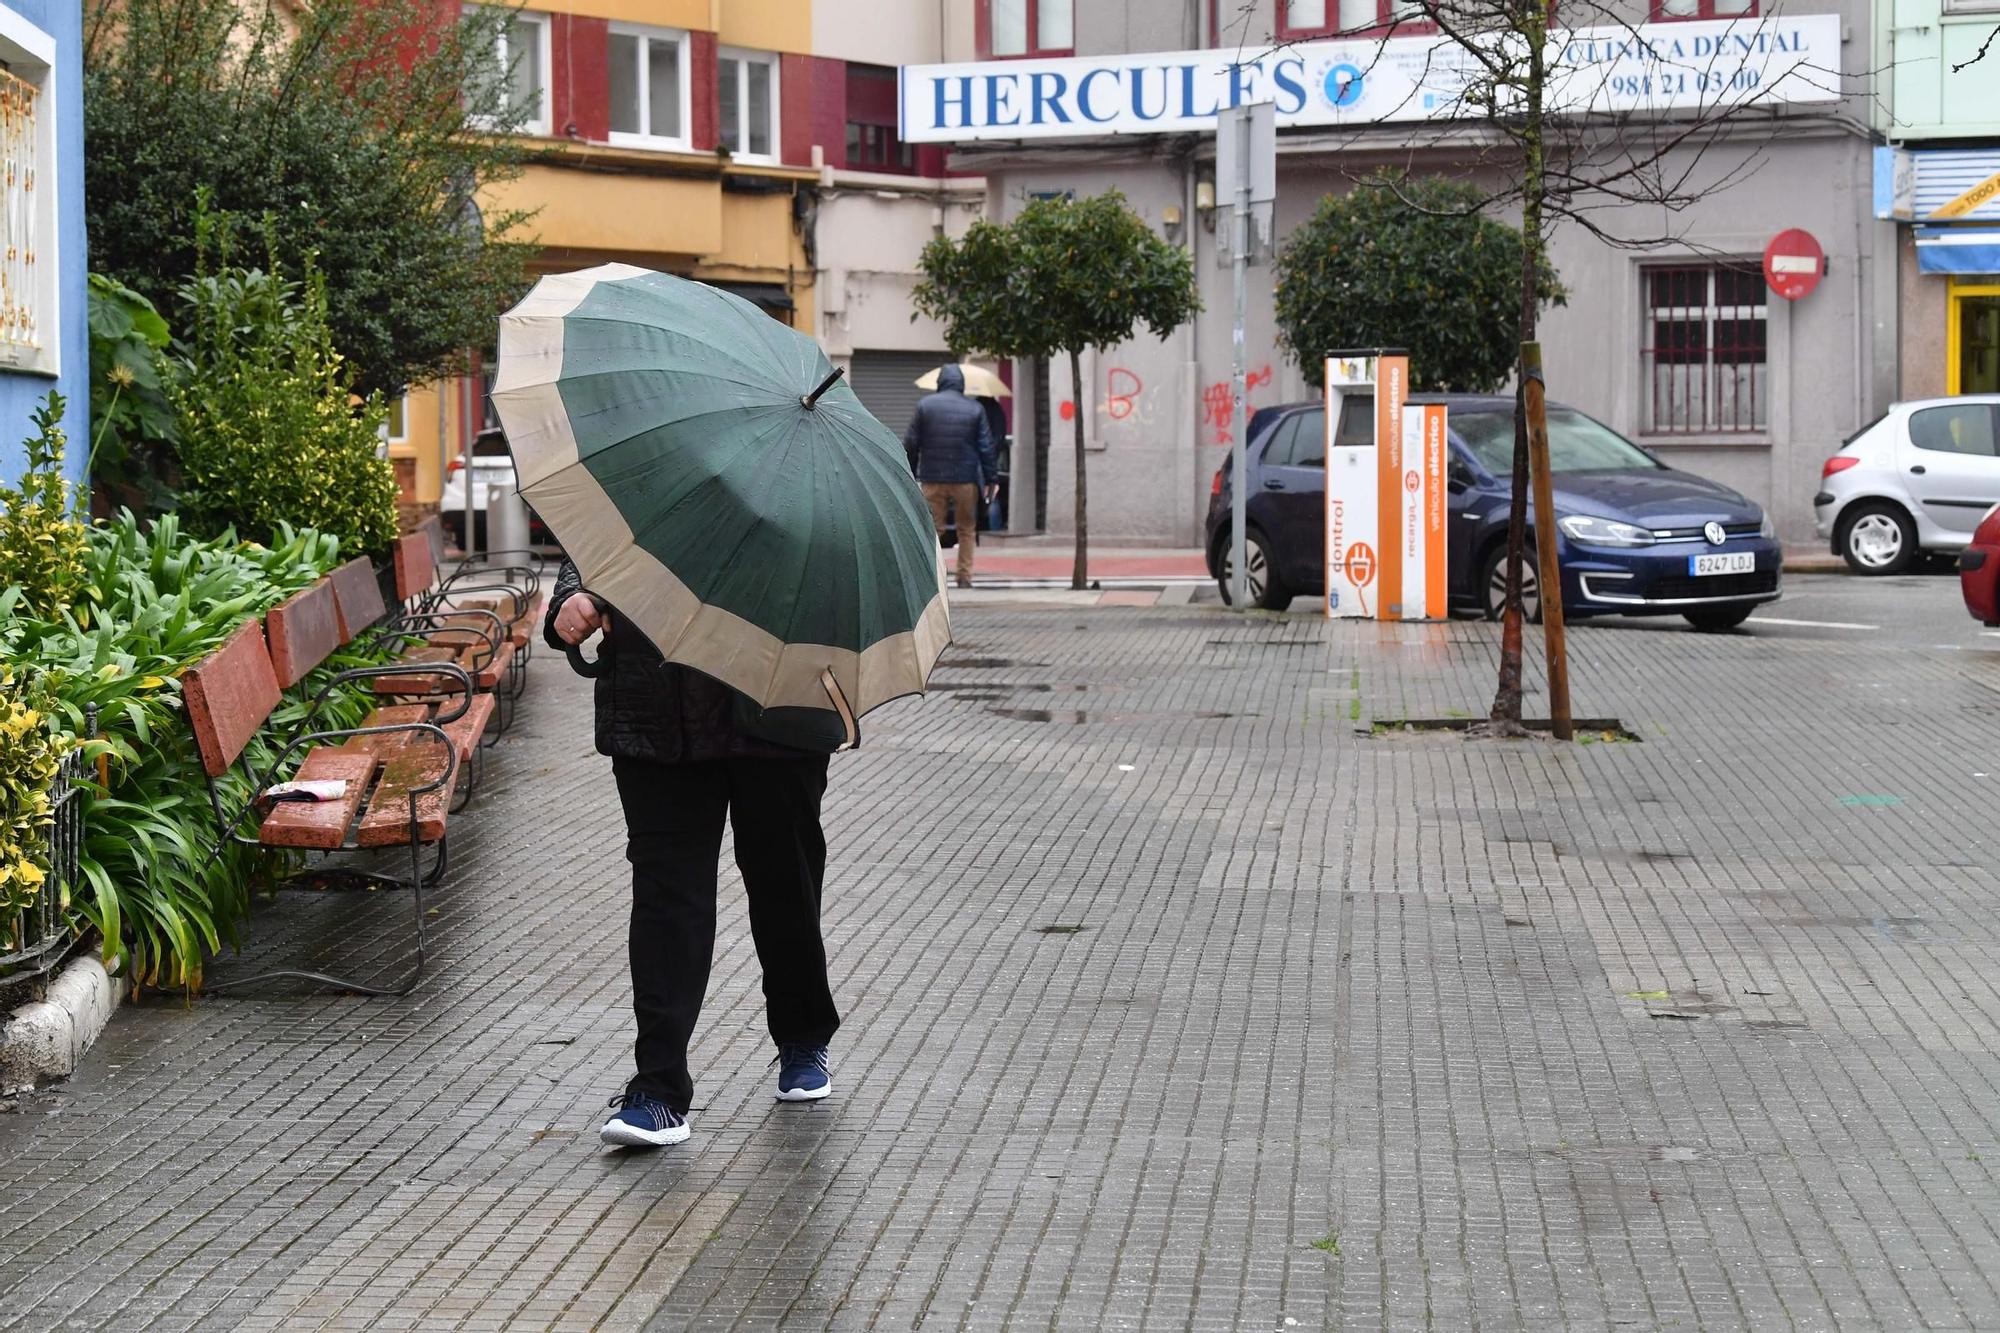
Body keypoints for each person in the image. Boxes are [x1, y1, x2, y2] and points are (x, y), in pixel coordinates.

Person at [546, 561, 839, 1149]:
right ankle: (658, 1090)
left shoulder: (810, 483)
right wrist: (572, 602)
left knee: (785, 883)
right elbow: (593, 546)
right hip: (655, 716)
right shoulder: (639, 470)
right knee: (666, 899)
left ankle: (804, 1035)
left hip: (777, 715)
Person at [903, 365, 1000, 588]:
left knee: (932, 529)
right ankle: (964, 576)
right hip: (965, 480)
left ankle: (932, 577)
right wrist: (991, 479)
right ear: (961, 384)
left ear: (940, 382)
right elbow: (986, 447)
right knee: (966, 529)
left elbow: (911, 444)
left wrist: (910, 472)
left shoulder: (925, 406)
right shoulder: (975, 409)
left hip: (932, 478)